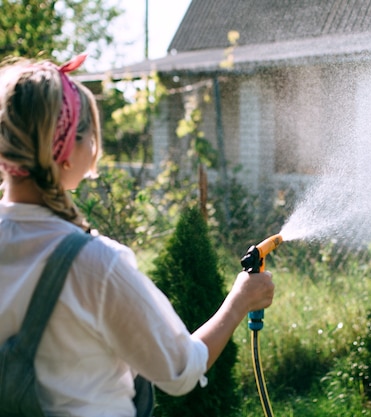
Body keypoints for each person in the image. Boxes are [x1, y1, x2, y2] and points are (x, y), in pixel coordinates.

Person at [0, 55, 275, 416]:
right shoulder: (95, 265)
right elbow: (180, 370)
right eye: (91, 136)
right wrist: (240, 300)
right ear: (67, 152)